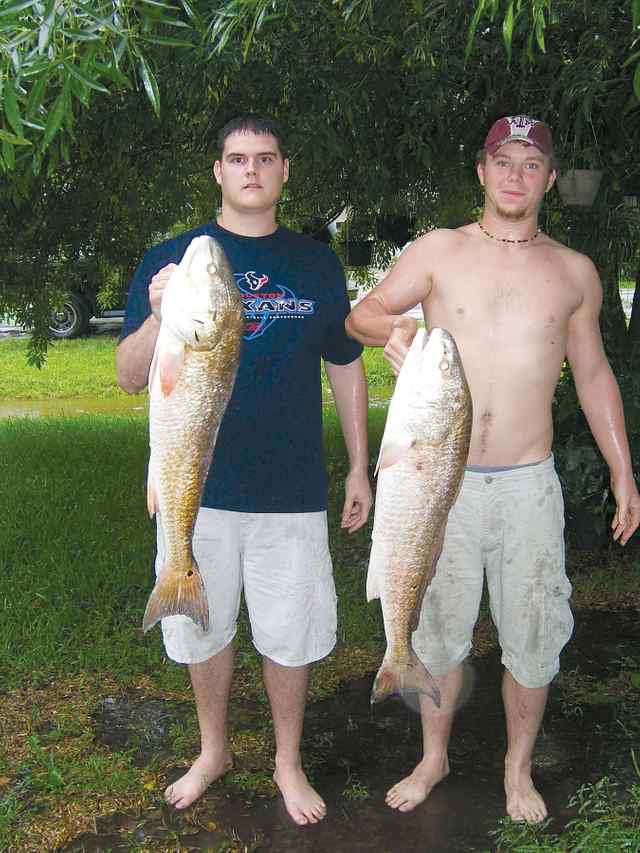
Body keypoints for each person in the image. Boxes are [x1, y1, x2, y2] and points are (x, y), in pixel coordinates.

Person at [345, 115, 640, 823]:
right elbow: (362, 314)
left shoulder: (574, 272)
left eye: (530, 163)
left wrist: (624, 473)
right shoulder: (439, 250)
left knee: (533, 635)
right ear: (481, 171)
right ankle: (433, 755)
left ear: (549, 177)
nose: (515, 174)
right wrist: (401, 332)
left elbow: (595, 374)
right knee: (437, 627)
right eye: (501, 160)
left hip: (528, 485)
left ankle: (516, 769)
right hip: (435, 481)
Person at [116, 114, 372, 826]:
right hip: (196, 488)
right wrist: (155, 314)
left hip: (291, 488)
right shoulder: (172, 258)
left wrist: (359, 465)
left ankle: (287, 759)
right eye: (237, 158)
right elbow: (129, 376)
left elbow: (346, 367)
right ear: (218, 172)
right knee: (202, 626)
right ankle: (213, 750)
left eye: (265, 158)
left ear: (284, 170)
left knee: (290, 632)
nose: (251, 169)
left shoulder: (317, 263)